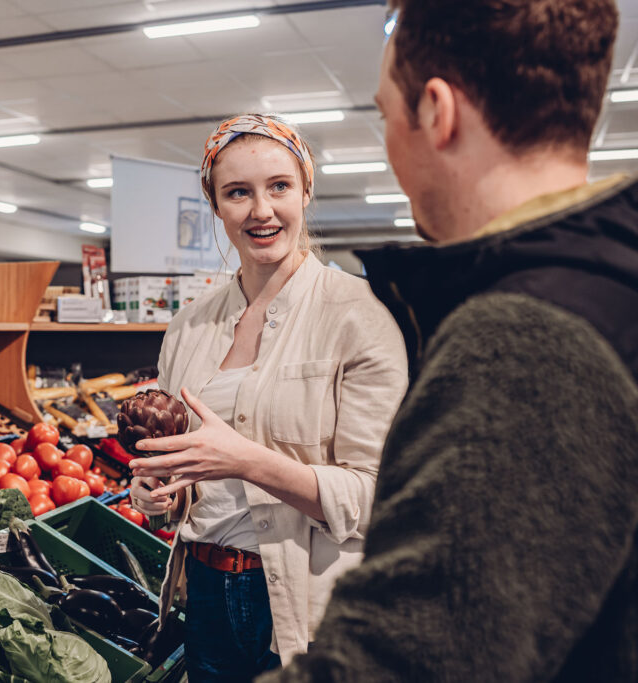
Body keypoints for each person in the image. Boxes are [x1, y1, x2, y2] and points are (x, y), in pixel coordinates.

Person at [261, 1, 638, 681]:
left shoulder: (523, 343)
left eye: (385, 112)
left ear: (437, 111)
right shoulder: (610, 279)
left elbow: (406, 662)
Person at [128, 114, 409, 681]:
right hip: (203, 594)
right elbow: (186, 474)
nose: (262, 210)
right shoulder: (187, 327)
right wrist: (156, 492)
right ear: (215, 205)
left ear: (306, 191)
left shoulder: (360, 315)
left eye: (279, 186)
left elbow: (380, 497)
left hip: (307, 605)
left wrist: (246, 461)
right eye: (238, 192)